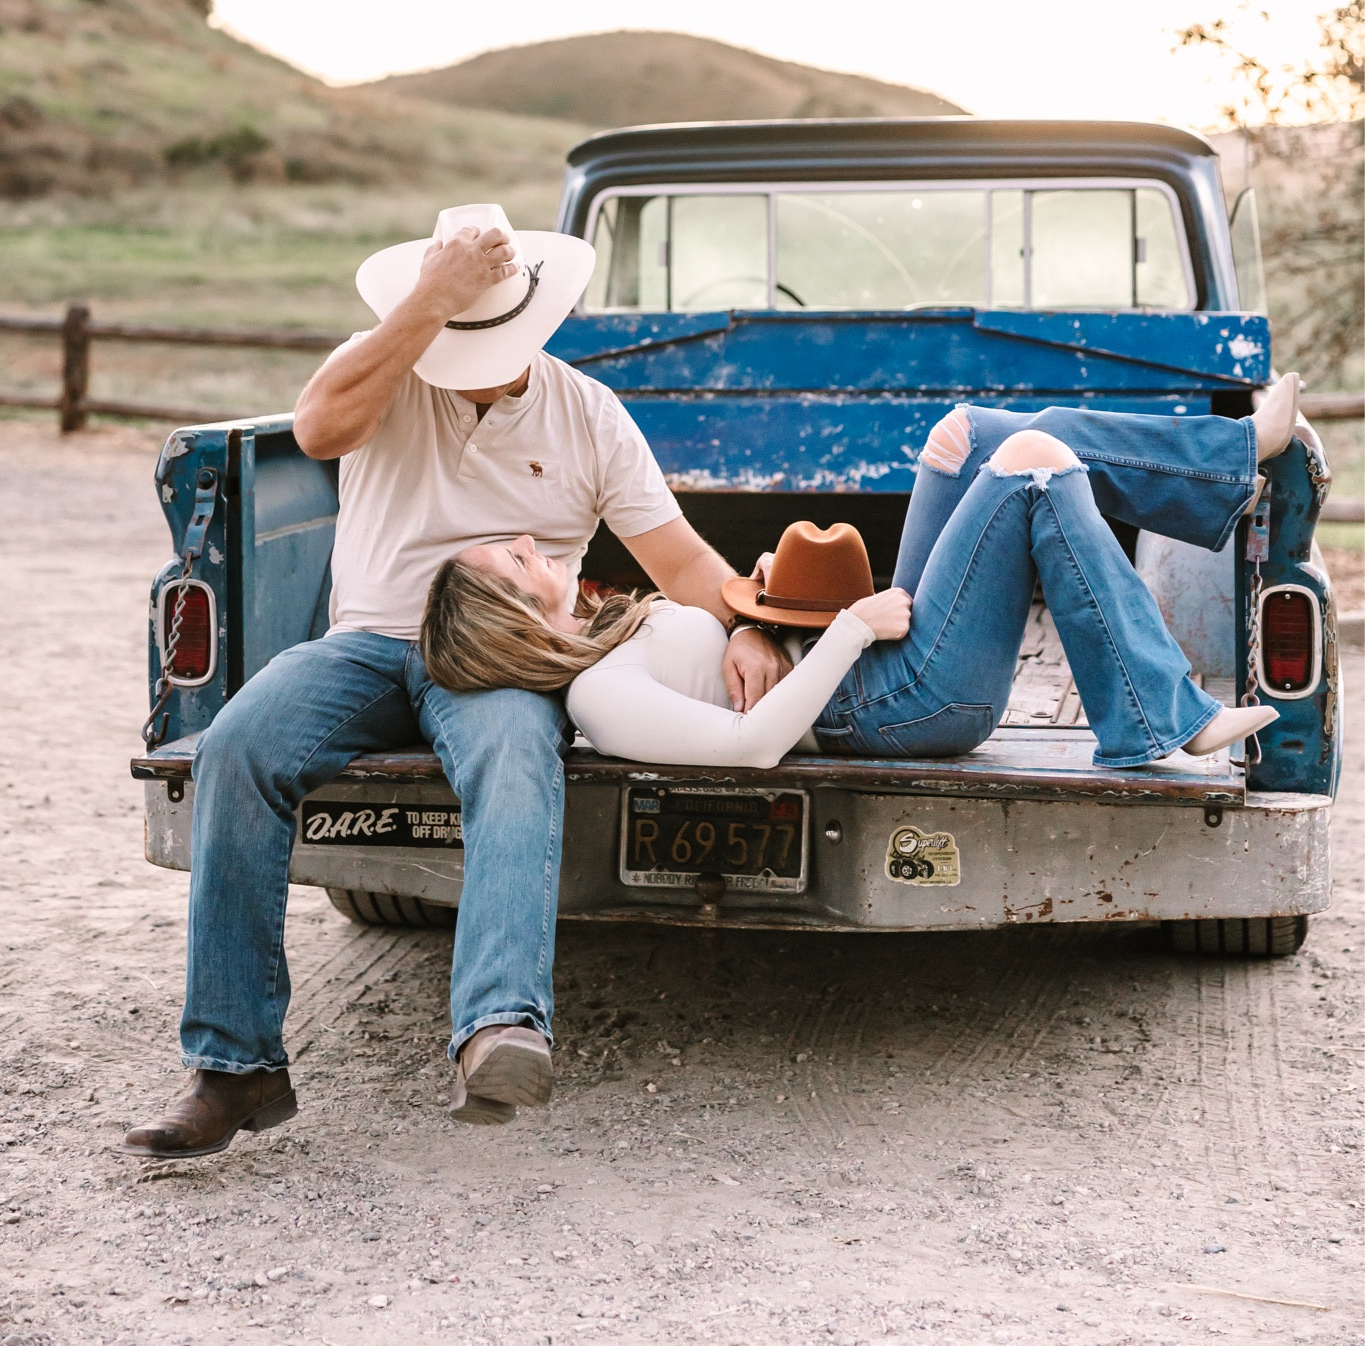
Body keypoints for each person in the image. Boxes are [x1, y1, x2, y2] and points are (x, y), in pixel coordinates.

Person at [121, 204, 789, 1160]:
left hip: (496, 655)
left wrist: (751, 621)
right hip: (369, 644)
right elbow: (315, 430)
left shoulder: (586, 413)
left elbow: (678, 560)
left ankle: (498, 1028)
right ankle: (234, 1068)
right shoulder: (392, 359)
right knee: (236, 746)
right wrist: (431, 303)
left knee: (517, 758)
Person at [419, 378, 1303, 772]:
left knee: (968, 435)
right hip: (888, 710)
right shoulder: (595, 698)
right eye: (506, 559)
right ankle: (1158, 718)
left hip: (868, 677)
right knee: (1033, 463)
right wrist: (845, 631)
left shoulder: (608, 627)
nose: (521, 542)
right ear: (509, 613)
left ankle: (1228, 457)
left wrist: (764, 617)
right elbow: (750, 746)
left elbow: (713, 630)